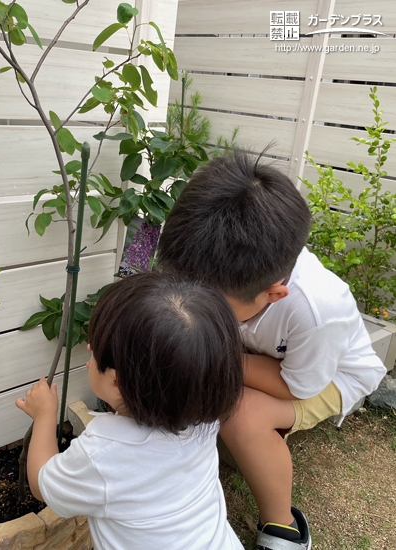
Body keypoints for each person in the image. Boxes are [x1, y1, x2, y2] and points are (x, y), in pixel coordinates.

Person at [156, 148, 387, 550]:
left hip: (326, 376)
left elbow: (298, 385)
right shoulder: (203, 256)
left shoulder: (318, 309)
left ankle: (283, 527)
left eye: (211, 306)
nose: (192, 306)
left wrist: (222, 361)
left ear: (274, 293)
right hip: (266, 354)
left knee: (241, 413)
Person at [15, 272, 245, 550]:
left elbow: (42, 484)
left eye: (94, 351)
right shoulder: (204, 420)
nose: (89, 349)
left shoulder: (103, 455)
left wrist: (44, 415)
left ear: (116, 382)